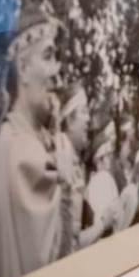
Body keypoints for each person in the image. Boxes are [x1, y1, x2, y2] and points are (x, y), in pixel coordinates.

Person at [0, 9, 63, 277]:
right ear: (23, 68)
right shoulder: (21, 152)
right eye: (47, 56)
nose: (56, 70)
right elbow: (53, 262)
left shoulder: (15, 137)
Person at [54, 82, 112, 256]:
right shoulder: (63, 158)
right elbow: (71, 246)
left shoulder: (69, 155)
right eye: (84, 111)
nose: (88, 119)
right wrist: (103, 223)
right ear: (69, 120)